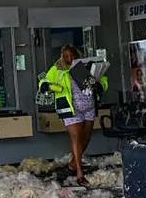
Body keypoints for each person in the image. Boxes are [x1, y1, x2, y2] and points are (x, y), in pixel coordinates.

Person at [38, 45, 108, 186]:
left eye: (73, 56)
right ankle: (79, 174)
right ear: (62, 57)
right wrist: (45, 86)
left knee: (86, 138)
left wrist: (100, 86)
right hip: (70, 109)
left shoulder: (86, 67)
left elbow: (103, 79)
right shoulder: (57, 69)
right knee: (76, 137)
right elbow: (44, 81)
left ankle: (72, 165)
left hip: (89, 107)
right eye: (67, 56)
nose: (70, 59)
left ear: (77, 55)